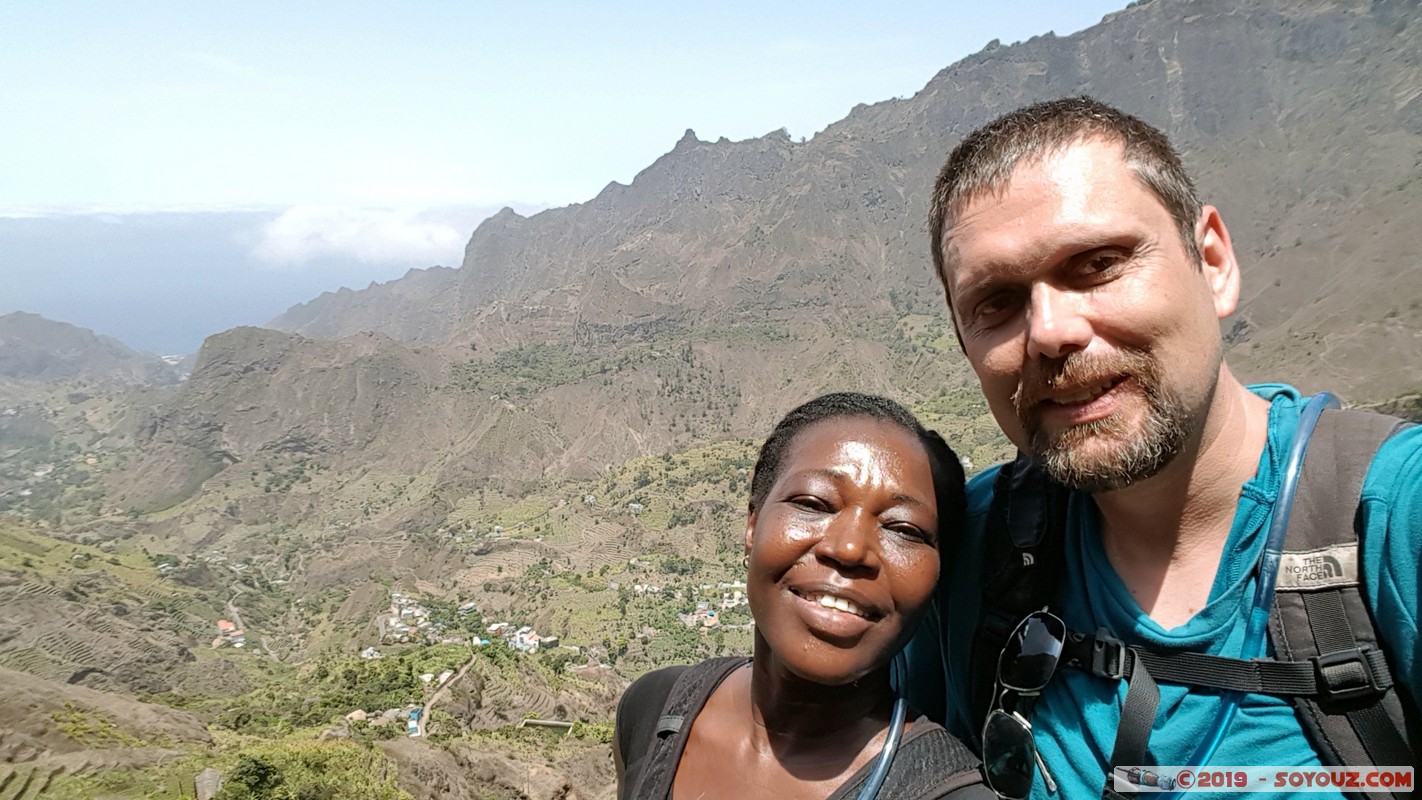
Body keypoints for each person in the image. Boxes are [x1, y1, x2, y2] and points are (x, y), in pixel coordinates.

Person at [904, 96, 1419, 798]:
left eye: (1097, 263)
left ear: (1212, 262)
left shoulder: (1393, 518)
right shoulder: (970, 553)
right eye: (996, 301)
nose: (1051, 331)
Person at [615, 392, 993, 799]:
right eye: (813, 503)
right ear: (753, 525)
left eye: (903, 530)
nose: (849, 549)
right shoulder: (653, 711)